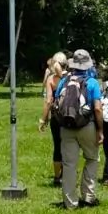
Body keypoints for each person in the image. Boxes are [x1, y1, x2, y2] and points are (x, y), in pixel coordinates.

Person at [51, 49, 103, 209]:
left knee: (69, 164)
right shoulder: (92, 82)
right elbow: (97, 108)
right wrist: (100, 130)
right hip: (87, 125)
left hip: (67, 126)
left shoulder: (64, 81)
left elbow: (56, 102)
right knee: (92, 159)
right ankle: (88, 197)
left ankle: (70, 202)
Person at [39, 52, 68, 185]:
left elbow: (48, 100)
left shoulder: (51, 79)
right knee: (69, 145)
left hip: (57, 116)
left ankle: (57, 176)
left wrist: (43, 119)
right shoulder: (72, 76)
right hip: (71, 116)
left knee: (57, 145)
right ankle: (68, 173)